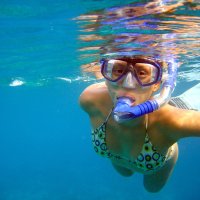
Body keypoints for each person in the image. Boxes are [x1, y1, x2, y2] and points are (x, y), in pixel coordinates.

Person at [79, 55, 200, 193]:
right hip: (119, 158)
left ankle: (179, 103)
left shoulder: (170, 122)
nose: (128, 84)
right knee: (125, 173)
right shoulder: (90, 99)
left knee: (151, 189)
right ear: (106, 78)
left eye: (142, 73)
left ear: (157, 84)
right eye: (118, 70)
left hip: (157, 162)